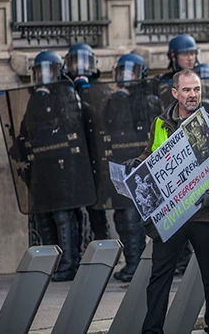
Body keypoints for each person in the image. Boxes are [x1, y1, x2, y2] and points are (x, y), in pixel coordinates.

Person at [126, 69, 209, 334]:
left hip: (203, 213)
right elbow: (151, 156)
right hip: (169, 215)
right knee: (159, 277)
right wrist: (135, 166)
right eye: (187, 90)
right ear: (175, 93)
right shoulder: (160, 124)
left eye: (197, 89)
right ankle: (152, 330)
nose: (193, 95)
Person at [23, 50, 93, 282]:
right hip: (42, 167)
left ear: (57, 71)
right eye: (39, 71)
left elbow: (72, 126)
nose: (44, 76)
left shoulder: (66, 92)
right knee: (44, 215)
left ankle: (69, 264)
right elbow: (26, 129)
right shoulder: (36, 97)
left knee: (63, 215)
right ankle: (50, 264)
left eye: (48, 71)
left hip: (63, 167)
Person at [108, 53, 155, 282]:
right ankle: (130, 260)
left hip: (140, 164)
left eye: (132, 73)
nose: (127, 78)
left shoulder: (147, 100)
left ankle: (135, 263)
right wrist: (119, 98)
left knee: (131, 216)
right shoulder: (114, 99)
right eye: (124, 72)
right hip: (120, 161)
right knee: (121, 216)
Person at [63, 43, 111, 243]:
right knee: (73, 210)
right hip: (72, 160)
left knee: (97, 208)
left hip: (96, 158)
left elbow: (106, 119)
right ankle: (77, 254)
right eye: (75, 62)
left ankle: (103, 249)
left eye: (84, 61)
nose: (79, 66)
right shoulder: (62, 90)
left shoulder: (101, 89)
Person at [156, 34, 199, 108]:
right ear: (174, 56)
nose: (190, 58)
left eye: (192, 53)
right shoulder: (161, 82)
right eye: (185, 54)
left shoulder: (203, 75)